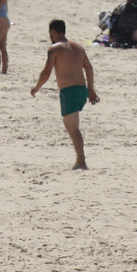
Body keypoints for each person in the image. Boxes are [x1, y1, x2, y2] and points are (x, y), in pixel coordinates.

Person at [30, 18, 99, 169]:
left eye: (50, 32)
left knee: (72, 127)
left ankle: (81, 161)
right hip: (81, 90)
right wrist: (91, 90)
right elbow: (89, 68)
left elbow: (47, 72)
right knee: (71, 125)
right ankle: (80, 160)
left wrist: (37, 87)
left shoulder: (54, 48)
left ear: (53, 32)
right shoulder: (79, 47)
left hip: (69, 91)